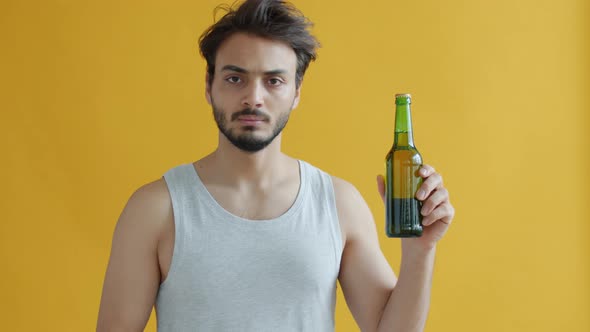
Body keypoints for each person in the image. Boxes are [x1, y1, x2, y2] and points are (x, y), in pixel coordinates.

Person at [96, 0, 455, 331]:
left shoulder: (338, 204)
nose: (253, 97)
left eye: (274, 81)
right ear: (209, 86)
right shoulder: (155, 209)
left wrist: (420, 251)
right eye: (235, 78)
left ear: (296, 91)